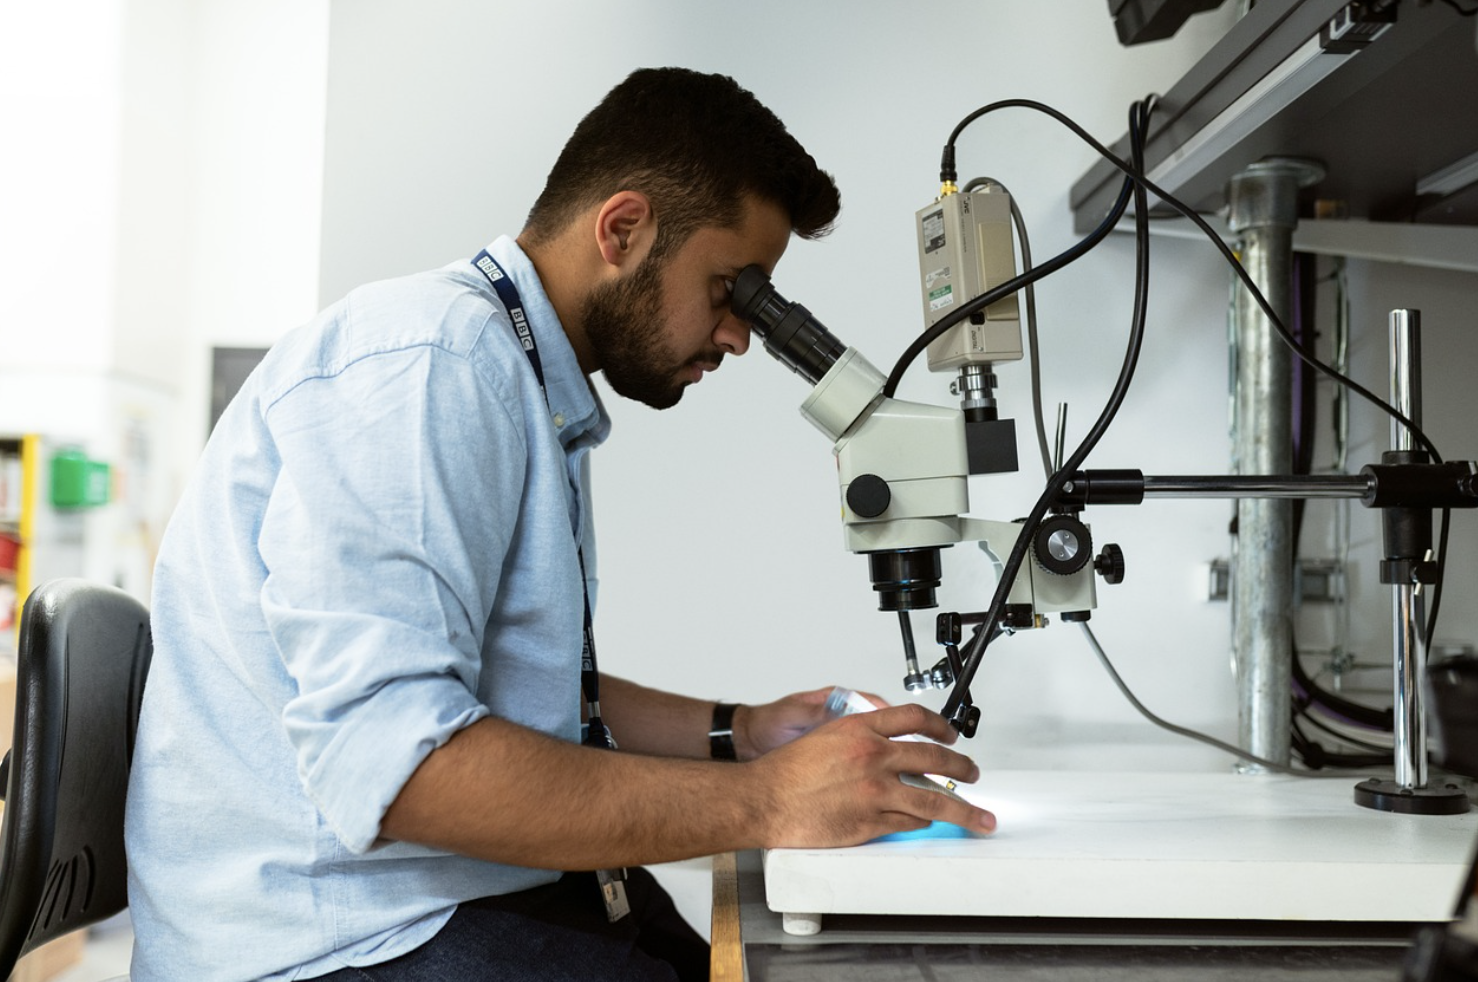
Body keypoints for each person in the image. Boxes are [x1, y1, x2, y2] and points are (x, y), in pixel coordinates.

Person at [125, 66, 996, 982]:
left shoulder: (517, 377)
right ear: (623, 230)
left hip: (430, 896)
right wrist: (767, 800)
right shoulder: (429, 364)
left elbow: (507, 686)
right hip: (335, 944)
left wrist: (738, 733)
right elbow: (404, 768)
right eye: (731, 289)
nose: (740, 334)